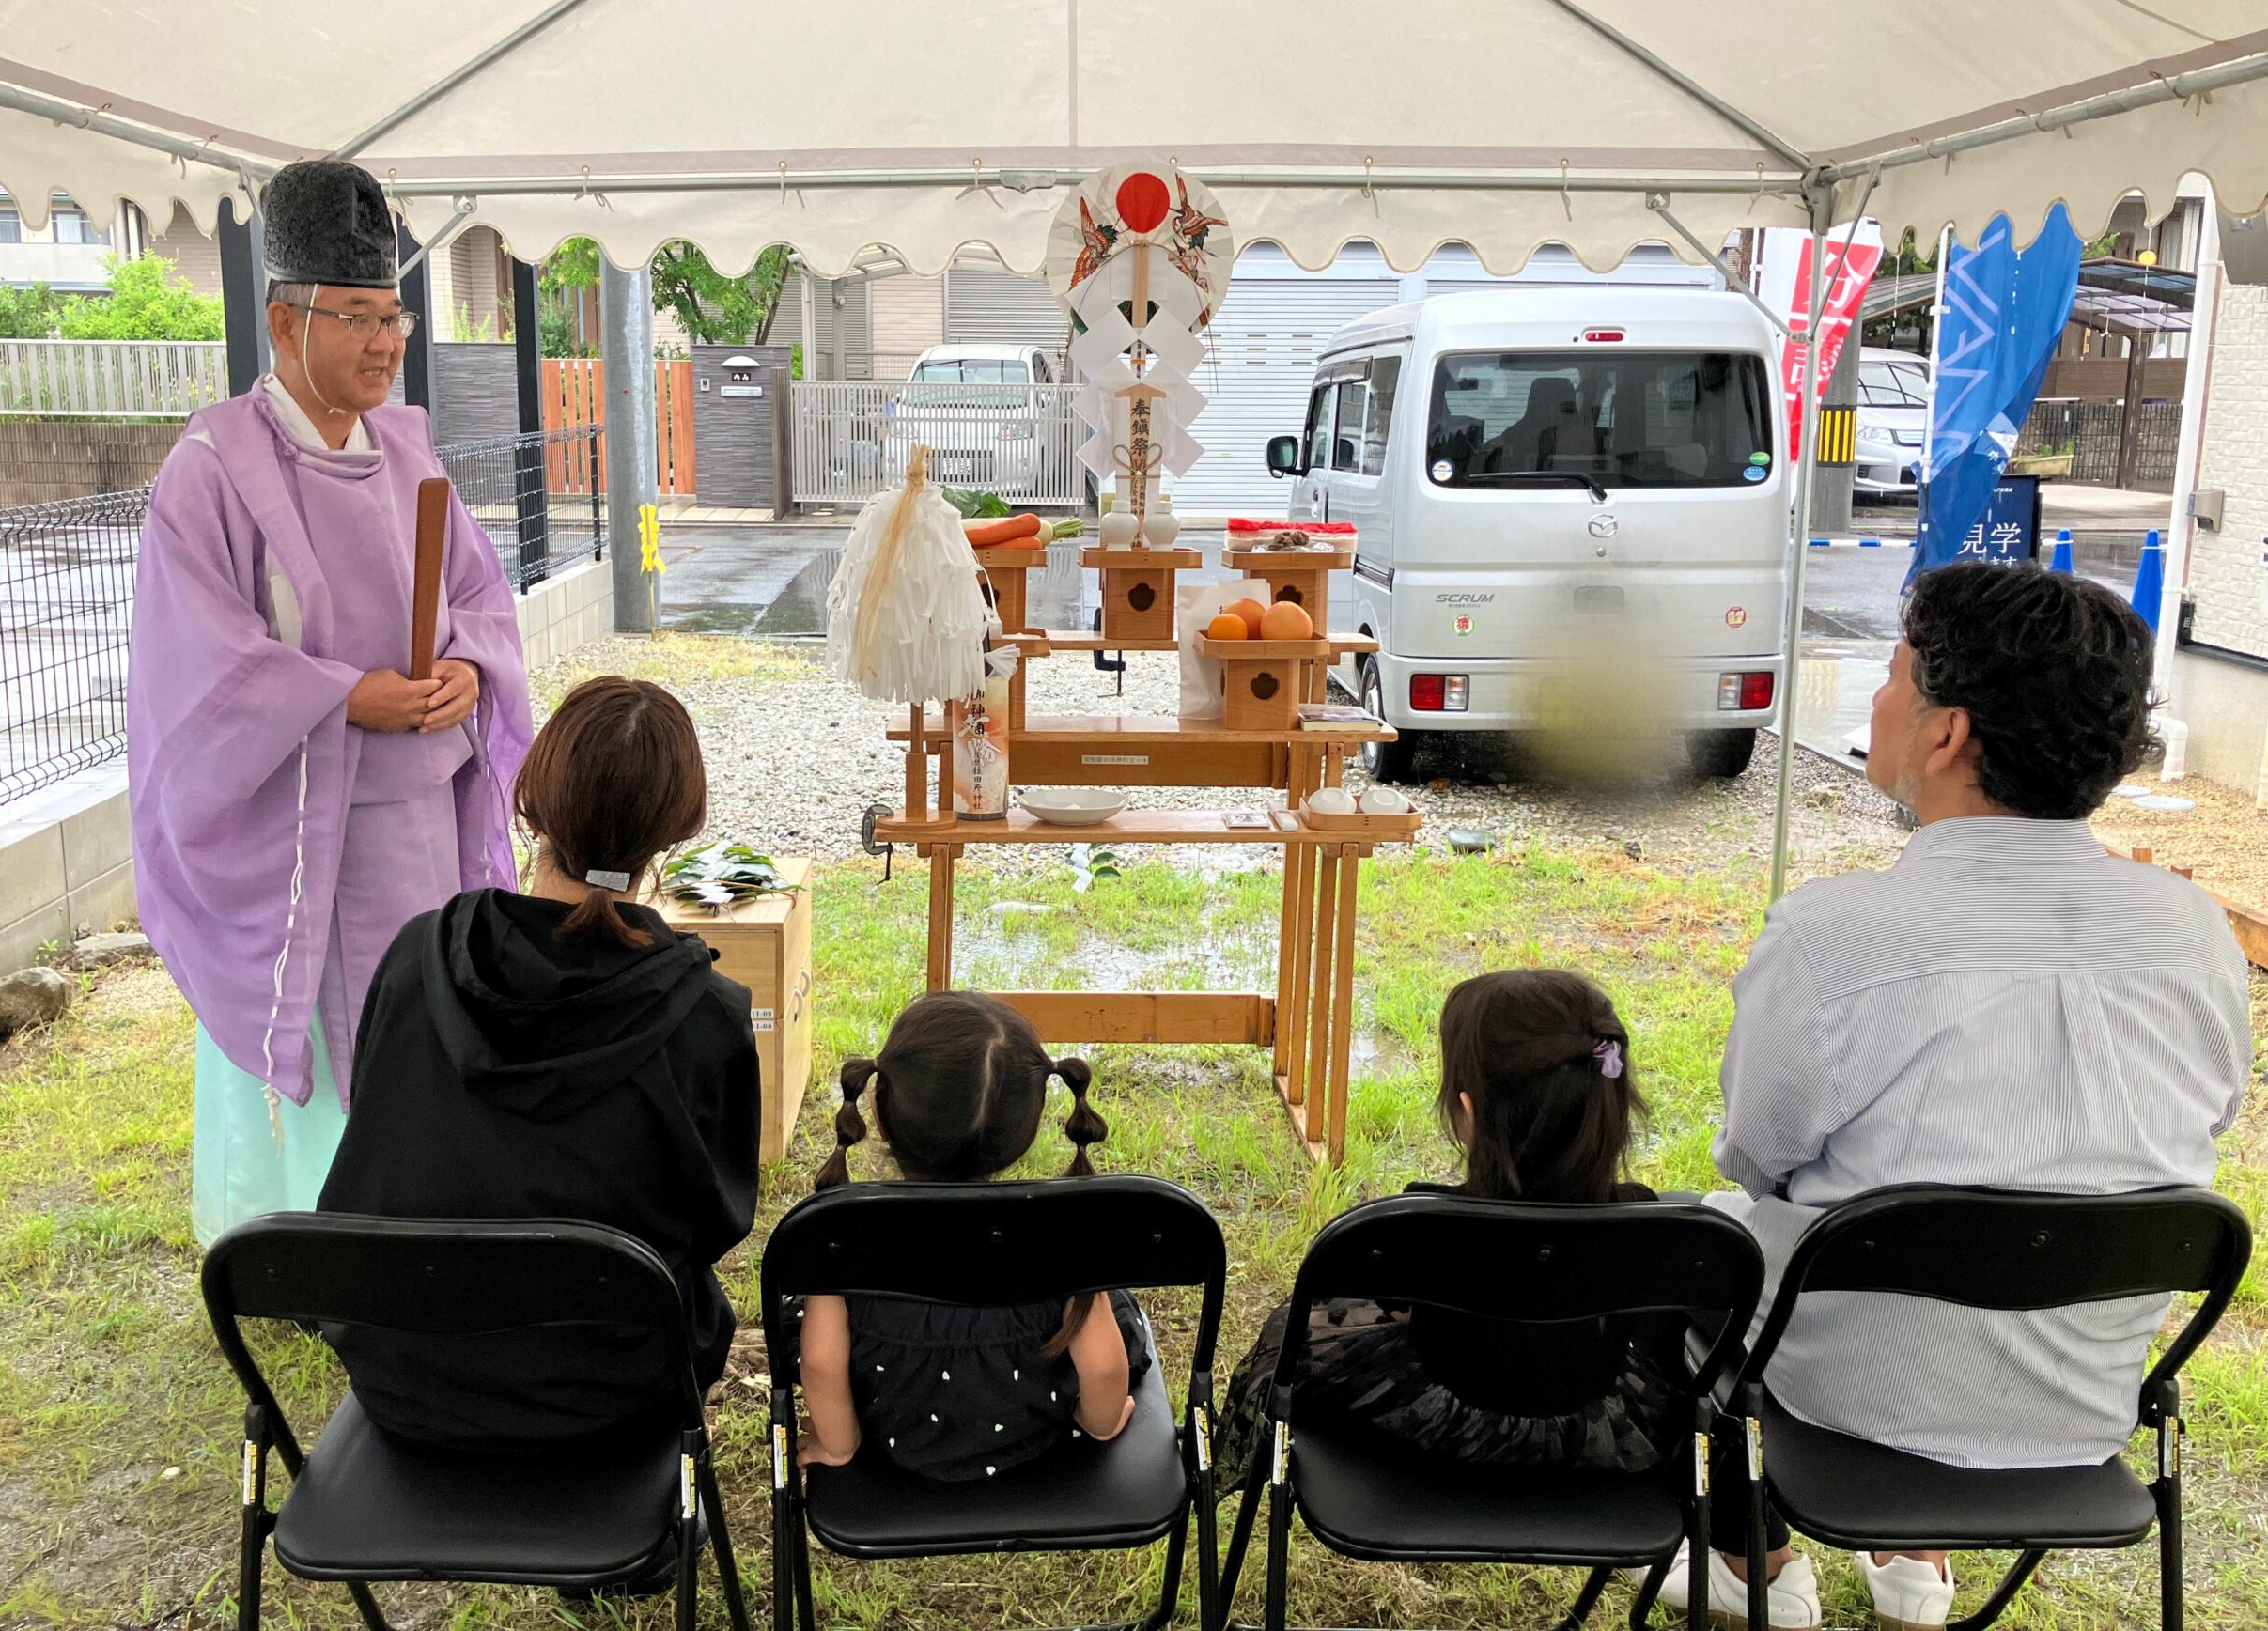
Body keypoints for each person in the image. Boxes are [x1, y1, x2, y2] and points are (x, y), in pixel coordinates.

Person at [1662, 563, 2253, 1630]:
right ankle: (1911, 1559)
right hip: (2082, 1402)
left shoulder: (1833, 936)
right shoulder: (2193, 934)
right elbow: (2200, 1122)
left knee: (1705, 1240)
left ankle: (1754, 1569)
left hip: (1855, 1393)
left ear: (1946, 735)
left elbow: (1754, 1155)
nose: (1879, 702)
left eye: (1893, 678)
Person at [129, 159, 533, 1245]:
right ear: (283, 319)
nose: (383, 342)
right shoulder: (210, 468)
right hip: (296, 827)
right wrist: (342, 696)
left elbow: (477, 591)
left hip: (418, 818)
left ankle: (416, 1216)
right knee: (312, 1030)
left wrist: (473, 670)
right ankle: (302, 1240)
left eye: (392, 314)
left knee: (421, 1017)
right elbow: (196, 662)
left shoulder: (406, 446)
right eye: (354, 316)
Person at [316, 676, 760, 1452]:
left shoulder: (420, 955)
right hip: (614, 1397)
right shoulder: (707, 1012)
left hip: (407, 1381)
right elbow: (715, 1221)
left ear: (532, 800)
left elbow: (383, 1132)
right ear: (678, 828)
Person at [1220, 969, 1677, 1480]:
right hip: (1596, 1439)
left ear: (1468, 1112)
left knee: (1298, 1329)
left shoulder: (1419, 1224)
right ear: (1608, 1098)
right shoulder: (1647, 1223)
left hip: (1442, 1433)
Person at [797, 992, 1151, 1481]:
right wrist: (1102, 1425)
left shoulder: (843, 1237)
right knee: (1108, 1305)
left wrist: (837, 1448)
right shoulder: (1057, 1239)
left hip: (894, 1434)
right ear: (1027, 1127)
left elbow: (819, 1361)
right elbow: (1106, 1370)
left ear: (878, 1112)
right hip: (1037, 1440)